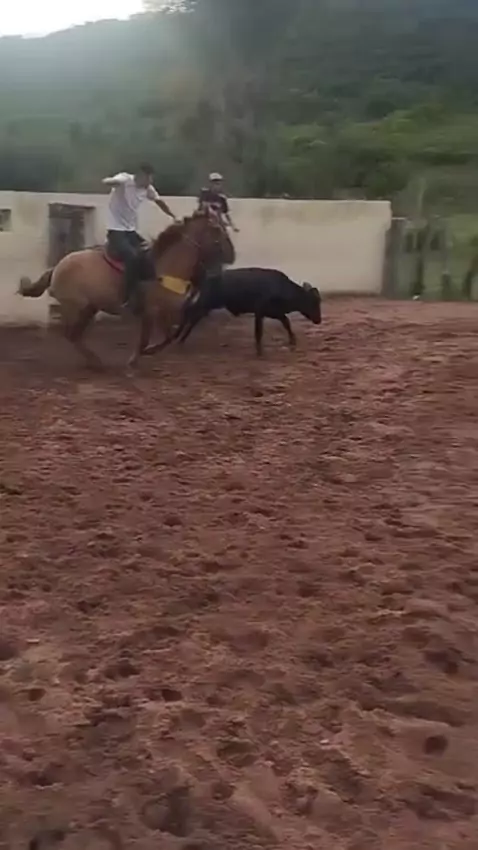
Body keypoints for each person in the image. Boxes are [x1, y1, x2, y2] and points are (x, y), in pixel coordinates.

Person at [103, 164, 178, 306]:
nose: (150, 182)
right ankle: (127, 297)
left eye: (151, 179)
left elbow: (159, 201)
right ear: (140, 176)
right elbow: (112, 181)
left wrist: (173, 216)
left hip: (130, 231)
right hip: (115, 230)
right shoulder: (125, 179)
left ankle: (149, 288)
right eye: (148, 178)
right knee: (131, 256)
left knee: (149, 252)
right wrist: (109, 181)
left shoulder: (148, 189)